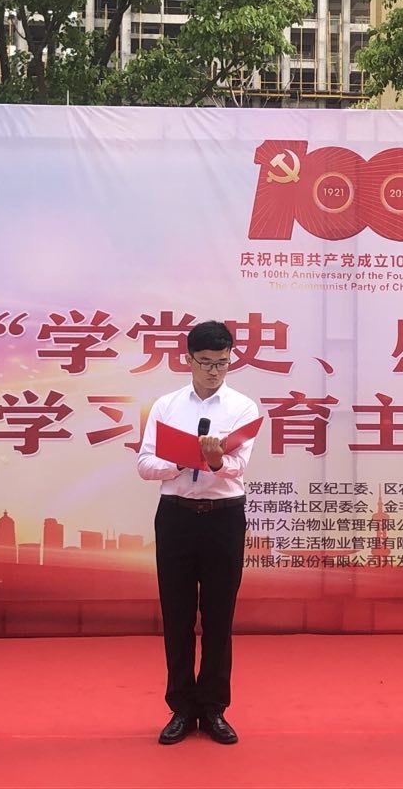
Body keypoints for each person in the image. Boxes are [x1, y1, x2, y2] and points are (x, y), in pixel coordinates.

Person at [136, 320, 259, 746]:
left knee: (220, 617)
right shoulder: (167, 406)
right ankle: (181, 708)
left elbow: (239, 467)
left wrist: (216, 461)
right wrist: (183, 460)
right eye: (205, 362)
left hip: (224, 517)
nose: (213, 371)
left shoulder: (242, 407)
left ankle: (213, 708)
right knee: (177, 616)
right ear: (188, 360)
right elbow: (145, 465)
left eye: (222, 363)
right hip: (177, 517)